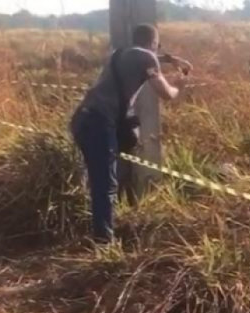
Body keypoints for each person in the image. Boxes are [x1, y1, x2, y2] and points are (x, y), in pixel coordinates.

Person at [70, 24, 193, 244]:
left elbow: (145, 58)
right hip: (99, 123)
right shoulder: (147, 57)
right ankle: (103, 242)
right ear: (154, 42)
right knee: (105, 184)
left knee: (101, 177)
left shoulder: (121, 52)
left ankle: (99, 229)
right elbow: (165, 93)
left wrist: (169, 59)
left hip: (82, 119)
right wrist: (180, 86)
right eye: (157, 45)